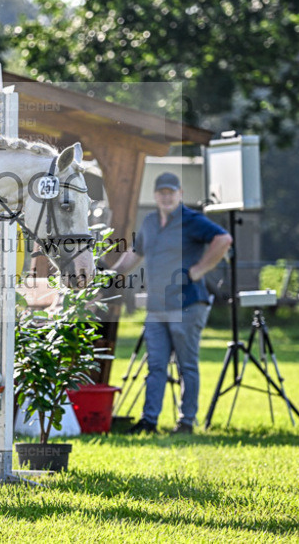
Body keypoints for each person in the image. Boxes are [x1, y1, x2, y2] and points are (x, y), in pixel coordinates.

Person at [111, 172, 232, 434]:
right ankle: (149, 421)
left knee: (186, 365)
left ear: (180, 195)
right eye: (162, 192)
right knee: (155, 365)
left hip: (188, 304)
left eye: (171, 192)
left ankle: (186, 423)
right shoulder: (150, 221)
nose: (166, 197)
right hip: (156, 307)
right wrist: (112, 274)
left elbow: (223, 240)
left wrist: (199, 270)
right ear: (155, 196)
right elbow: (135, 253)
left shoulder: (192, 221)